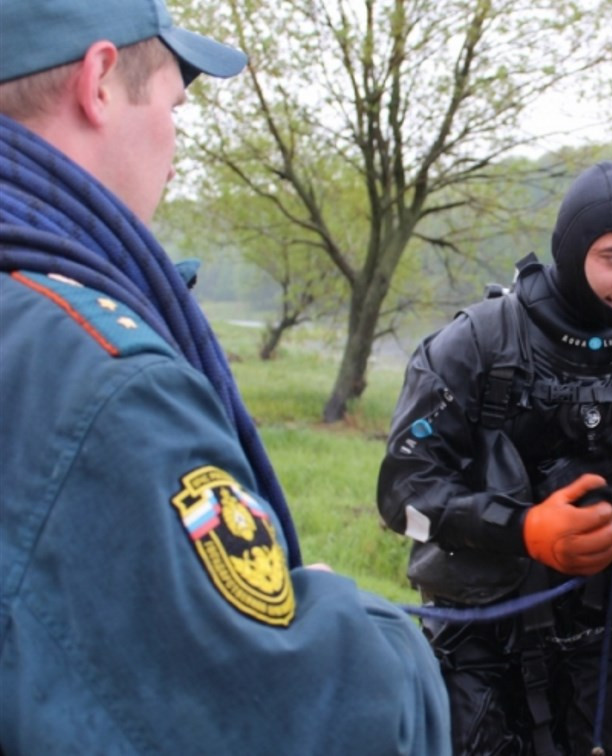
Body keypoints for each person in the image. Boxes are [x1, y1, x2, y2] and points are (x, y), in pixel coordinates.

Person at [0, 1, 450, 752]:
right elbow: (310, 721)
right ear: (100, 80)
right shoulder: (105, 387)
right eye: (176, 102)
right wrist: (347, 618)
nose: (175, 140)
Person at [377, 160, 612, 754]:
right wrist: (523, 529)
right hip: (473, 655)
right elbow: (402, 495)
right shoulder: (474, 346)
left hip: (600, 649)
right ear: (573, 248)